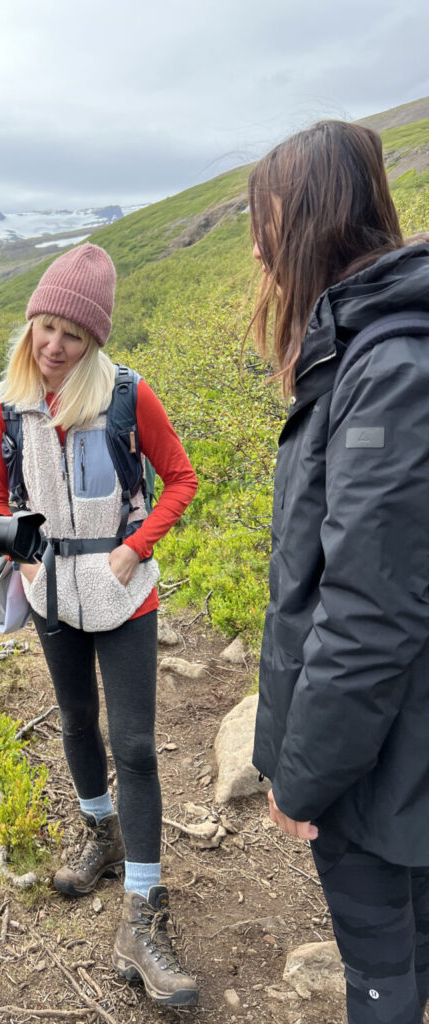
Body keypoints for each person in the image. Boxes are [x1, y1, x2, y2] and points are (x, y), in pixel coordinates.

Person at [0, 243, 199, 1006]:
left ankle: (144, 907)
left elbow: (181, 478)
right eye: (45, 326)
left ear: (94, 340)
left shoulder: (129, 397)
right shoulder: (10, 409)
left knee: (134, 743)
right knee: (76, 722)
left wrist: (136, 550)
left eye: (71, 334)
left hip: (122, 593)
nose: (53, 345)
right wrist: (24, 560)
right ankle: (99, 832)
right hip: (52, 596)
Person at [250, 120, 429, 1024]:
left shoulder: (388, 366)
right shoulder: (381, 347)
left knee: (383, 972)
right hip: (394, 745)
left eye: (264, 221)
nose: (255, 247)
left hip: (383, 763)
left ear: (306, 218)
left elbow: (368, 609)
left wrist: (303, 773)